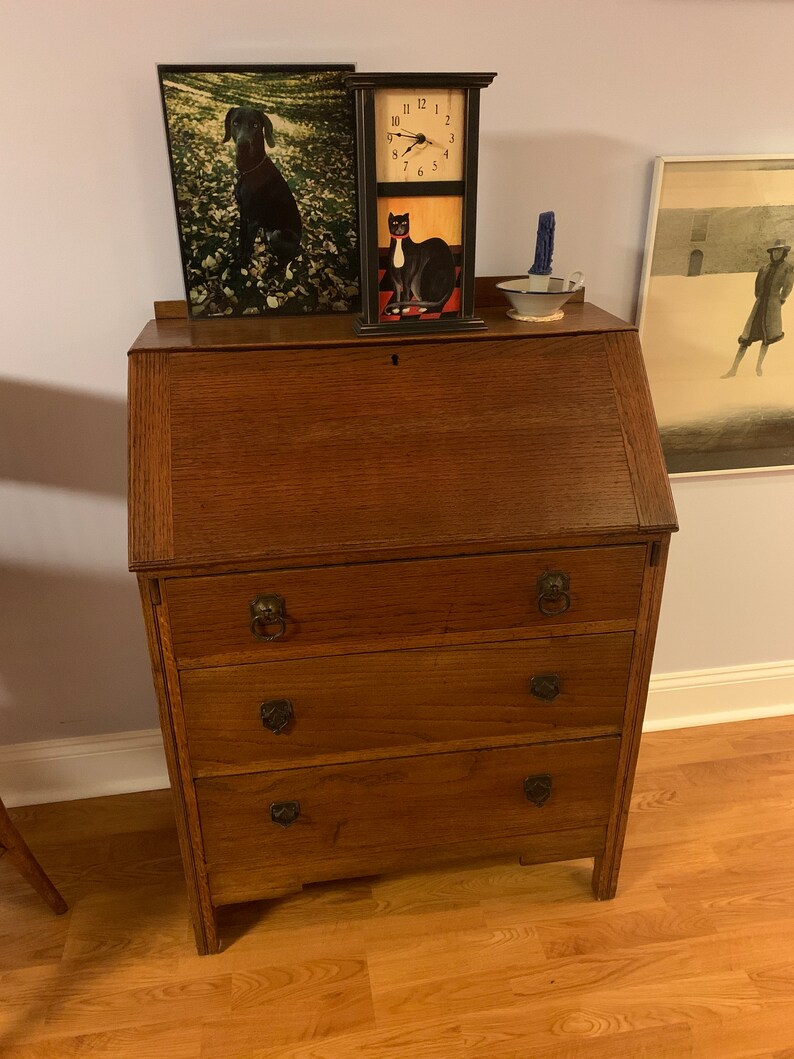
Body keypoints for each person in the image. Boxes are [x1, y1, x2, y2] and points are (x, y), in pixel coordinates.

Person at [722, 239, 794, 377]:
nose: (776, 253)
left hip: (772, 307)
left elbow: (787, 287)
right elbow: (757, 288)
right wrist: (760, 299)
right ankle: (733, 369)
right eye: (774, 251)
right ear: (771, 253)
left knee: (766, 337)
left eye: (779, 251)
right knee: (746, 337)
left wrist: (780, 300)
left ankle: (758, 366)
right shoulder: (764, 268)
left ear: (784, 253)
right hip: (759, 305)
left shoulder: (788, 268)